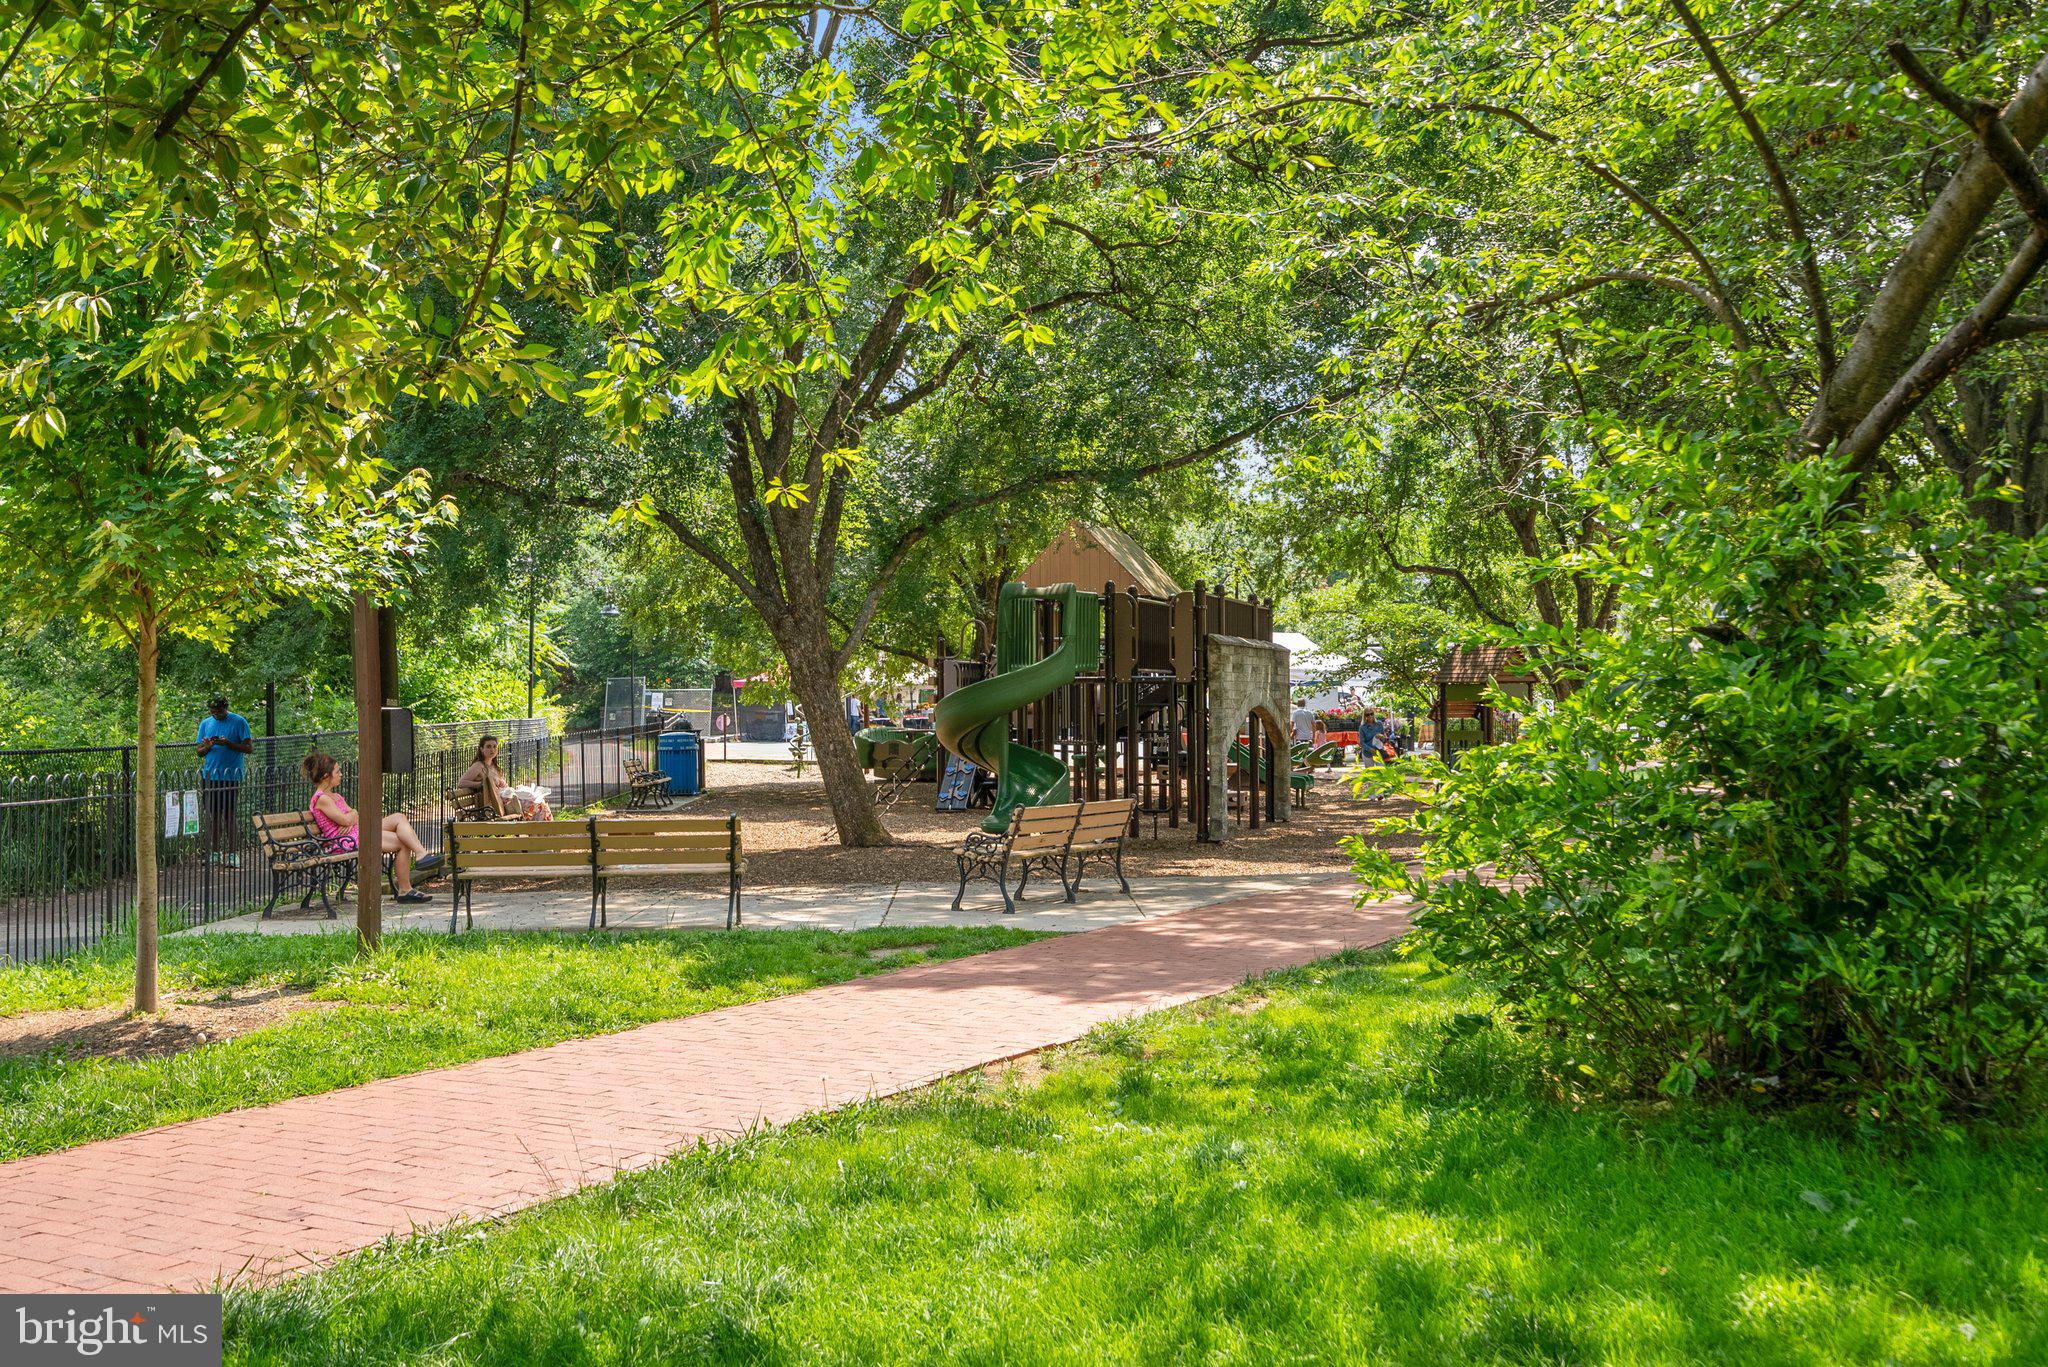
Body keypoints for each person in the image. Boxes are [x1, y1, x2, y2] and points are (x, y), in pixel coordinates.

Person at [302, 751, 432, 902]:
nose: (341, 774)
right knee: (403, 842)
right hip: (344, 841)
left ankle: (421, 854)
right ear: (326, 776)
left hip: (356, 831)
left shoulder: (335, 796)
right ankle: (405, 890)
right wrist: (351, 817)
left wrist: (352, 816)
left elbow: (353, 815)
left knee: (399, 817)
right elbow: (345, 820)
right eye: (337, 771)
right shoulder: (322, 799)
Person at [196, 696, 253, 867]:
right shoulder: (205, 723)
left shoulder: (239, 722)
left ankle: (233, 854)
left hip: (230, 777)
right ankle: (214, 853)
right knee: (213, 817)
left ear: (225, 708)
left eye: (219, 711)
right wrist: (207, 747)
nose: (216, 715)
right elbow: (199, 751)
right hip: (210, 777)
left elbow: (249, 748)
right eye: (213, 712)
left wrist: (228, 743)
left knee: (229, 816)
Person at [455, 735, 552, 821]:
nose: (492, 750)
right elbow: (461, 783)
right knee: (537, 805)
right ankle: (541, 834)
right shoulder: (478, 765)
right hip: (495, 804)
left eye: (494, 747)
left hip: (505, 799)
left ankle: (541, 834)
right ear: (481, 749)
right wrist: (481, 784)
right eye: (488, 747)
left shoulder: (494, 766)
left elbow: (503, 787)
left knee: (539, 802)